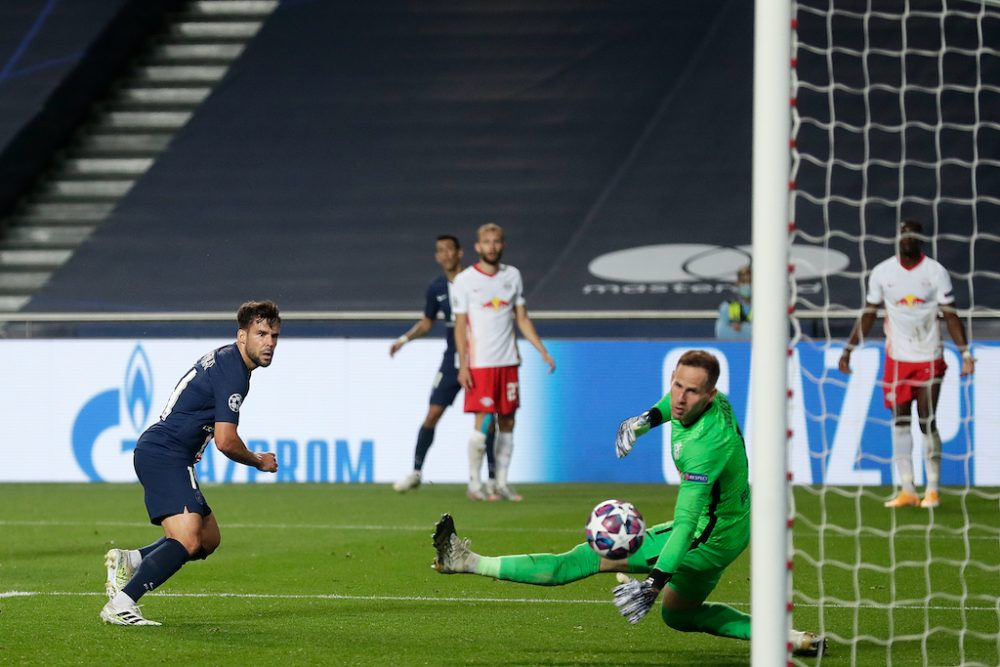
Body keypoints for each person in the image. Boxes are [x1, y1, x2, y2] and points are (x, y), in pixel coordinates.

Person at [431, 353, 823, 656]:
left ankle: (465, 561)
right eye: (676, 386)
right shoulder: (714, 402)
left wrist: (653, 584)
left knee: (584, 558)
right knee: (680, 614)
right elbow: (672, 406)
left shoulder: (703, 448)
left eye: (691, 392)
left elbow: (685, 526)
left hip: (707, 535)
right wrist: (646, 419)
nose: (680, 398)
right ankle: (792, 641)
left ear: (710, 395)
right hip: (733, 528)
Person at [100, 300, 281, 626]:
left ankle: (133, 559)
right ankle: (122, 603)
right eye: (261, 334)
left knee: (207, 539)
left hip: (170, 454)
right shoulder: (234, 373)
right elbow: (226, 441)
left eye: (274, 336)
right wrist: (258, 461)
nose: (269, 342)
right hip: (164, 453)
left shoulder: (228, 361)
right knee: (188, 539)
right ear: (242, 336)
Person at [839, 219, 975, 509]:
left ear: (920, 239)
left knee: (927, 420)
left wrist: (964, 354)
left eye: (913, 235)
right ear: (898, 238)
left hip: (929, 355)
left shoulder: (935, 272)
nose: (908, 239)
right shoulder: (882, 273)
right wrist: (848, 349)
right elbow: (869, 314)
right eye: (903, 234)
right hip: (897, 359)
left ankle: (933, 490)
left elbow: (951, 315)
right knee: (900, 421)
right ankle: (907, 488)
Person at [451, 222, 555, 501]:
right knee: (483, 422)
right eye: (487, 242)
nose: (492, 246)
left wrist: (541, 350)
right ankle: (474, 484)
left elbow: (521, 317)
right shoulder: (464, 281)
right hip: (481, 364)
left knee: (508, 420)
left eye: (496, 241)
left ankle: (500, 482)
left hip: (508, 362)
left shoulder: (513, 276)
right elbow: (460, 326)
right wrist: (463, 364)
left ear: (503, 245)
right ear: (477, 247)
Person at [391, 235, 495, 492]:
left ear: (460, 252)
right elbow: (428, 322)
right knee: (433, 413)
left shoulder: (476, 281)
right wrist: (404, 339)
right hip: (452, 360)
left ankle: (493, 479)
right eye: (440, 251)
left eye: (450, 249)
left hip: (481, 359)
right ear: (437, 257)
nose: (446, 255)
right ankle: (416, 471)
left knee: (486, 418)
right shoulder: (436, 287)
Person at [715, 264, 752, 339]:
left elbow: (768, 332)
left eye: (749, 282)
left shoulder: (764, 306)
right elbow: (722, 333)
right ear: (738, 283)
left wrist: (742, 328)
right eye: (743, 282)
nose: (747, 285)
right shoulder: (729, 306)